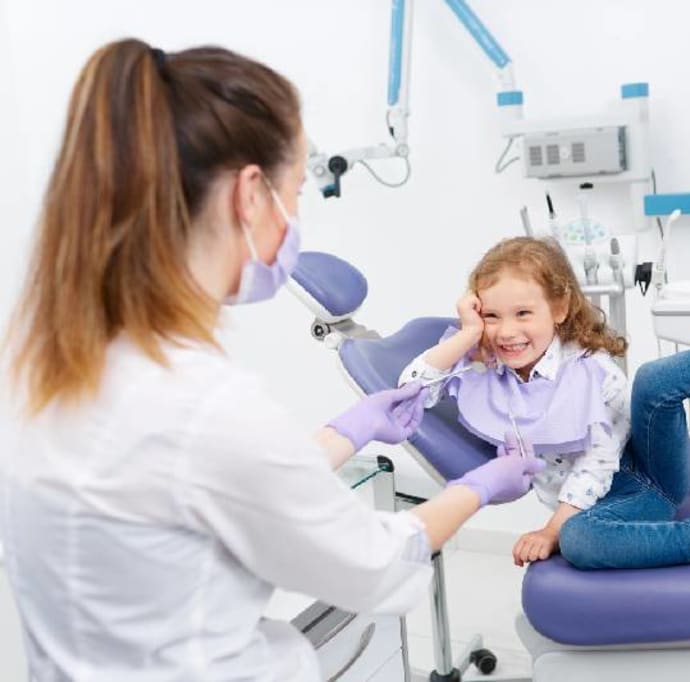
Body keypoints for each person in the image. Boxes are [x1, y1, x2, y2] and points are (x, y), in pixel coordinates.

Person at [0, 39, 543, 681]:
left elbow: (204, 485)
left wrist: (350, 429)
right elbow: (372, 566)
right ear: (251, 195)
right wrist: (480, 486)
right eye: (297, 191)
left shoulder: (52, 369)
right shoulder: (203, 405)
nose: (297, 217)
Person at [400, 236, 690, 569]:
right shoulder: (482, 367)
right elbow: (408, 392)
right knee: (582, 540)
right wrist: (466, 336)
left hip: (649, 473)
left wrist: (551, 530)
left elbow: (598, 463)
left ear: (559, 308)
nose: (507, 331)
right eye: (492, 316)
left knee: (654, 380)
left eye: (523, 313)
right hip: (608, 506)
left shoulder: (591, 370)